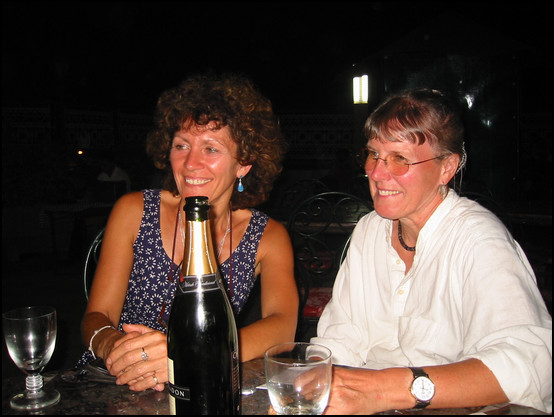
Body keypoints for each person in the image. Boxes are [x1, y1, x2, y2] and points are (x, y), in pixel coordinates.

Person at [311, 89, 552, 414]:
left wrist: (385, 390)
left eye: (400, 158)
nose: (377, 172)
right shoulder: (369, 230)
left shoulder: (477, 238)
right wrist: (311, 380)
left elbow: (532, 364)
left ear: (447, 167)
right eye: (373, 154)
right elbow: (340, 339)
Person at [78, 73, 299, 392]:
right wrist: (112, 344)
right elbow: (97, 315)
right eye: (181, 145)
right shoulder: (134, 211)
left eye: (211, 149)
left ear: (244, 163)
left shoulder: (267, 236)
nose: (191, 163)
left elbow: (283, 326)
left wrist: (192, 355)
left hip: (205, 378)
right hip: (119, 380)